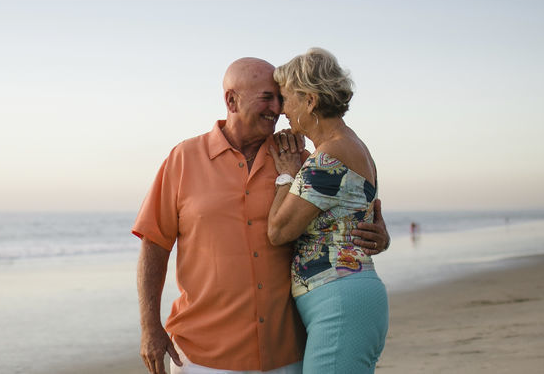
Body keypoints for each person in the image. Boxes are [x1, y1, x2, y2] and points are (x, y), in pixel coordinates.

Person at [133, 57, 390, 374]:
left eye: (281, 98)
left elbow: (343, 206)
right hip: (202, 356)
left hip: (286, 354)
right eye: (267, 97)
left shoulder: (298, 159)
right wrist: (149, 326)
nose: (278, 108)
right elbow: (154, 243)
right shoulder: (183, 159)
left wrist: (375, 233)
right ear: (232, 100)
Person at [267, 48, 389, 373]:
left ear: (309, 100)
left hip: (339, 300)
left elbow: (279, 231)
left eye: (285, 99)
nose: (281, 110)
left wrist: (286, 173)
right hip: (347, 295)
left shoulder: (329, 156)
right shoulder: (352, 145)